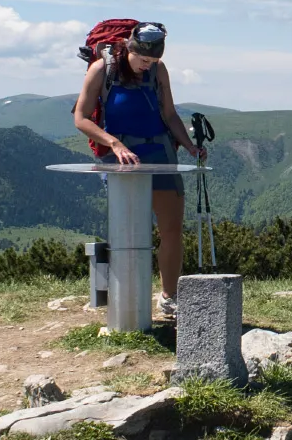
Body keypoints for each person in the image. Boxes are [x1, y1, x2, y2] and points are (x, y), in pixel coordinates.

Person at [73, 22, 206, 316]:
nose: (148, 67)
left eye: (153, 61)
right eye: (144, 60)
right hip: (122, 159)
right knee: (129, 233)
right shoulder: (102, 69)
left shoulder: (158, 71)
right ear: (130, 49)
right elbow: (81, 118)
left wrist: (189, 145)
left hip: (160, 151)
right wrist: (114, 144)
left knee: (171, 228)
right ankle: (126, 300)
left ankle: (169, 297)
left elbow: (169, 114)